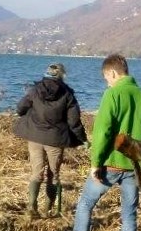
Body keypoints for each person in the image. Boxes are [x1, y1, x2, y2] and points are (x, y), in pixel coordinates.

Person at [56, 53, 141, 231]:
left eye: (107, 77)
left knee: (86, 204)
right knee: (129, 214)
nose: (107, 82)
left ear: (113, 73)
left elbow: (102, 132)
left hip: (109, 165)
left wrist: (95, 163)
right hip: (134, 167)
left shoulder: (112, 95)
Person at [12, 62, 89, 217]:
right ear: (62, 75)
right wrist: (83, 139)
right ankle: (48, 210)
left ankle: (31, 208)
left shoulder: (35, 90)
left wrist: (26, 115)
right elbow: (73, 121)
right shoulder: (68, 94)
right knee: (53, 175)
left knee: (36, 173)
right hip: (56, 139)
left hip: (35, 137)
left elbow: (20, 108)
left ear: (46, 72)